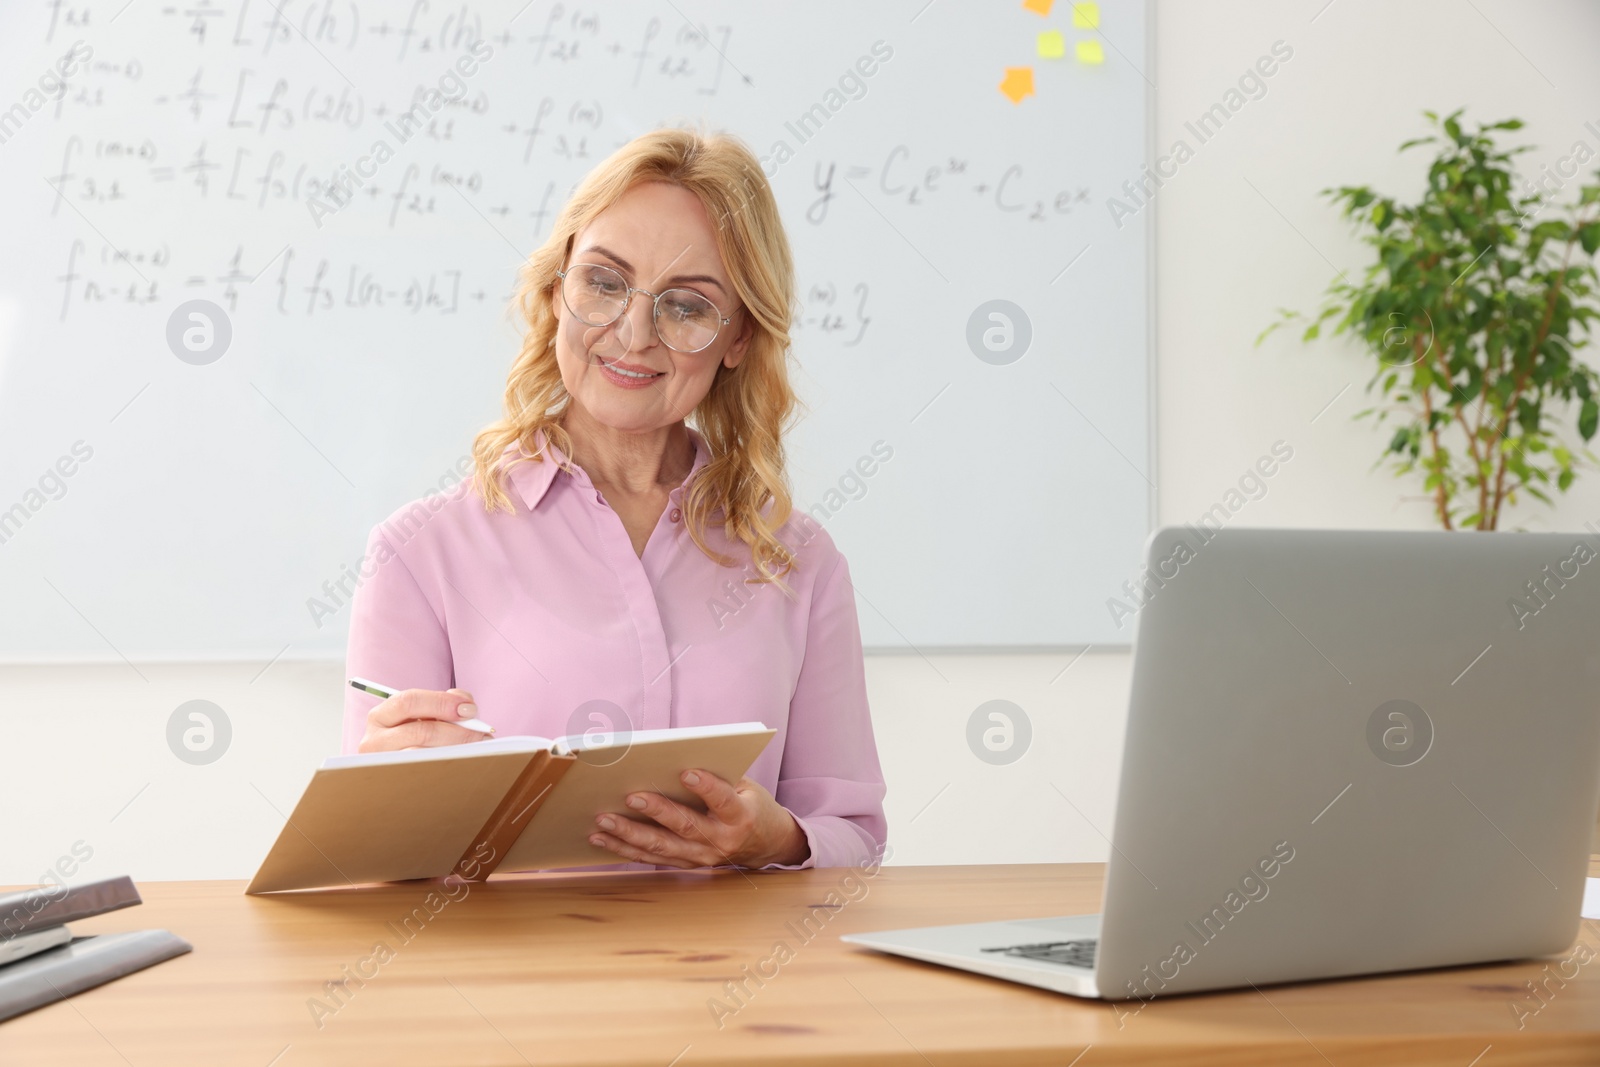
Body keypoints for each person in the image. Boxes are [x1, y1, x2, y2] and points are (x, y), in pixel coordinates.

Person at [341, 126, 887, 872]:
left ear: (737, 338)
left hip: (738, 981)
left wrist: (778, 839)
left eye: (686, 305)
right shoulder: (418, 555)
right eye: (603, 283)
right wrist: (381, 805)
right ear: (556, 290)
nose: (633, 334)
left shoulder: (801, 562)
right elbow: (372, 867)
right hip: (517, 980)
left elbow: (854, 838)